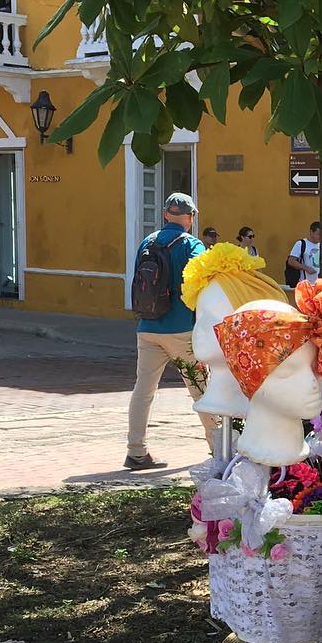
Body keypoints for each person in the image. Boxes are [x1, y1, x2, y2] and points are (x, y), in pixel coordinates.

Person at [125, 193, 218, 471]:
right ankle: (219, 449)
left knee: (143, 391)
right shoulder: (192, 244)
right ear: (190, 218)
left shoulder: (147, 242)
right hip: (181, 331)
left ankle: (136, 451)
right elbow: (201, 279)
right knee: (202, 391)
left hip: (147, 327)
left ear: (166, 214)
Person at [285, 222, 322, 287]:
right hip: (304, 285)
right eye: (318, 234)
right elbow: (291, 261)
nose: (320, 237)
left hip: (318, 285)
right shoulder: (301, 244)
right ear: (311, 232)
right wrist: (306, 268)